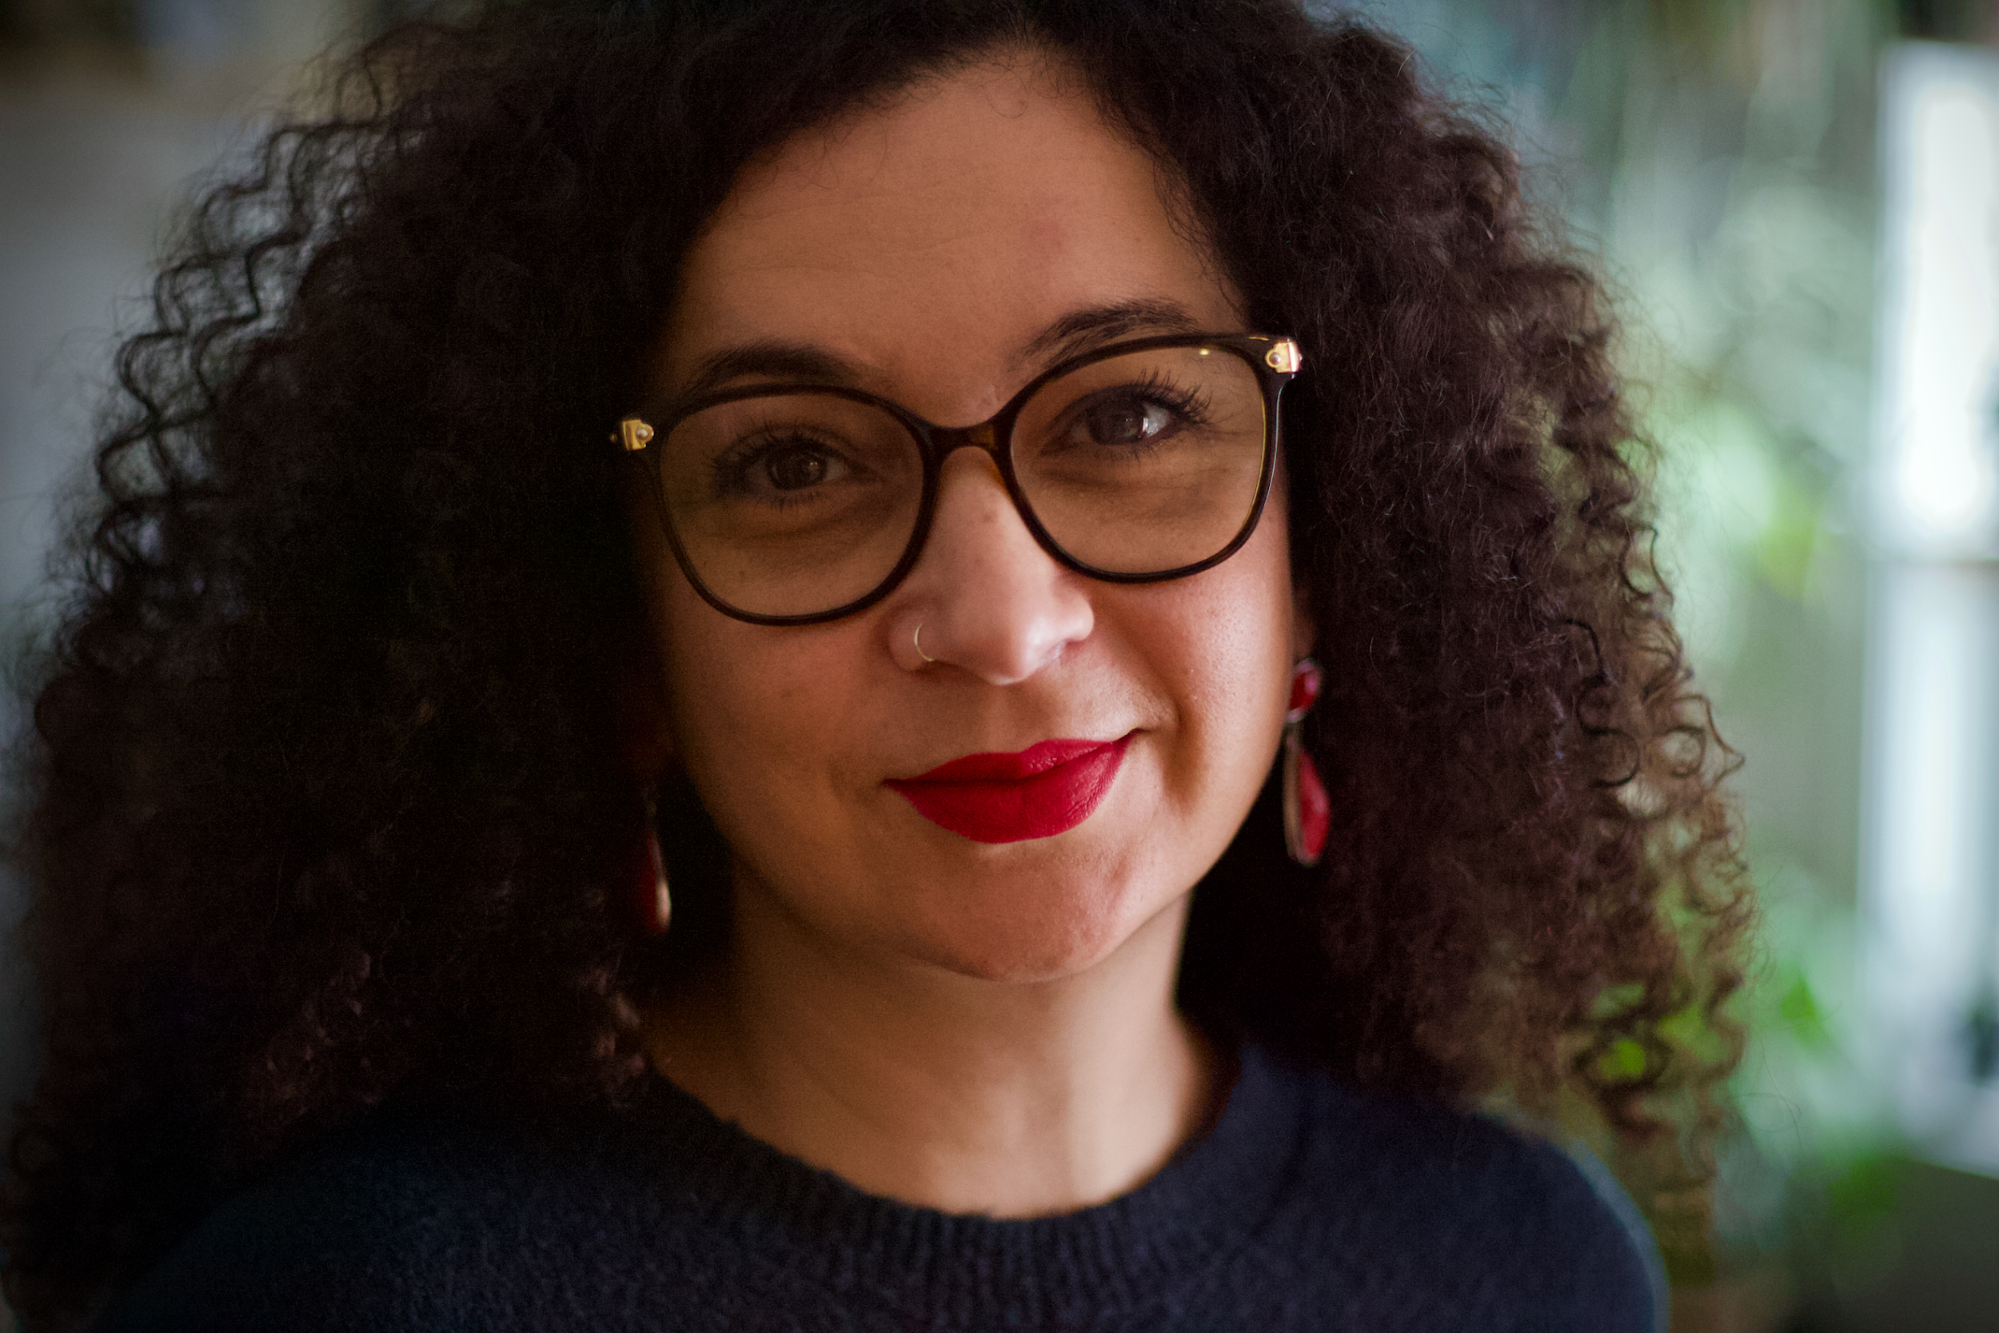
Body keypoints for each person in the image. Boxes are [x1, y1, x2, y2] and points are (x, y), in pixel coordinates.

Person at [0, 1, 1752, 1329]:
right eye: (790, 463)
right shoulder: (350, 1301)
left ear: (1329, 555)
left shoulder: (1524, 1271)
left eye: (1129, 417)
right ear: (613, 640)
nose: (997, 622)